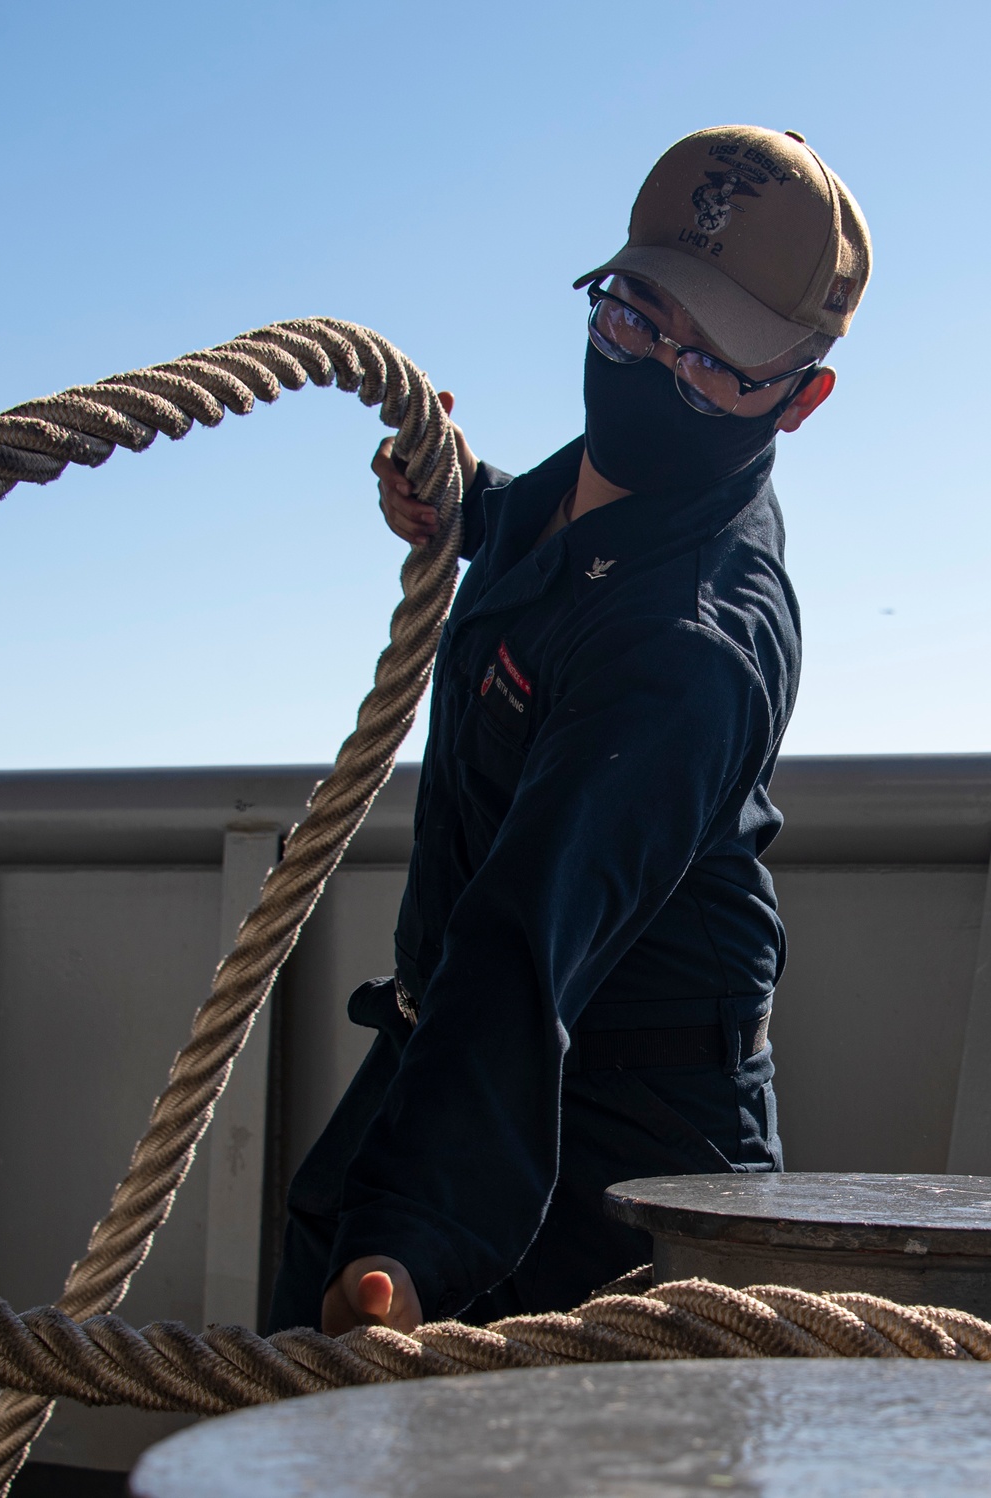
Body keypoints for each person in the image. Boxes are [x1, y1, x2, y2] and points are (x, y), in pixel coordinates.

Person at [267, 124, 872, 1337]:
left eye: (716, 366)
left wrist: (413, 1241)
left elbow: (525, 940)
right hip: (460, 1051)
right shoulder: (590, 485)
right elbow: (561, 527)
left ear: (801, 397)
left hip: (627, 1146)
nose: (659, 372)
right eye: (638, 322)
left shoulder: (691, 646)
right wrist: (468, 499)